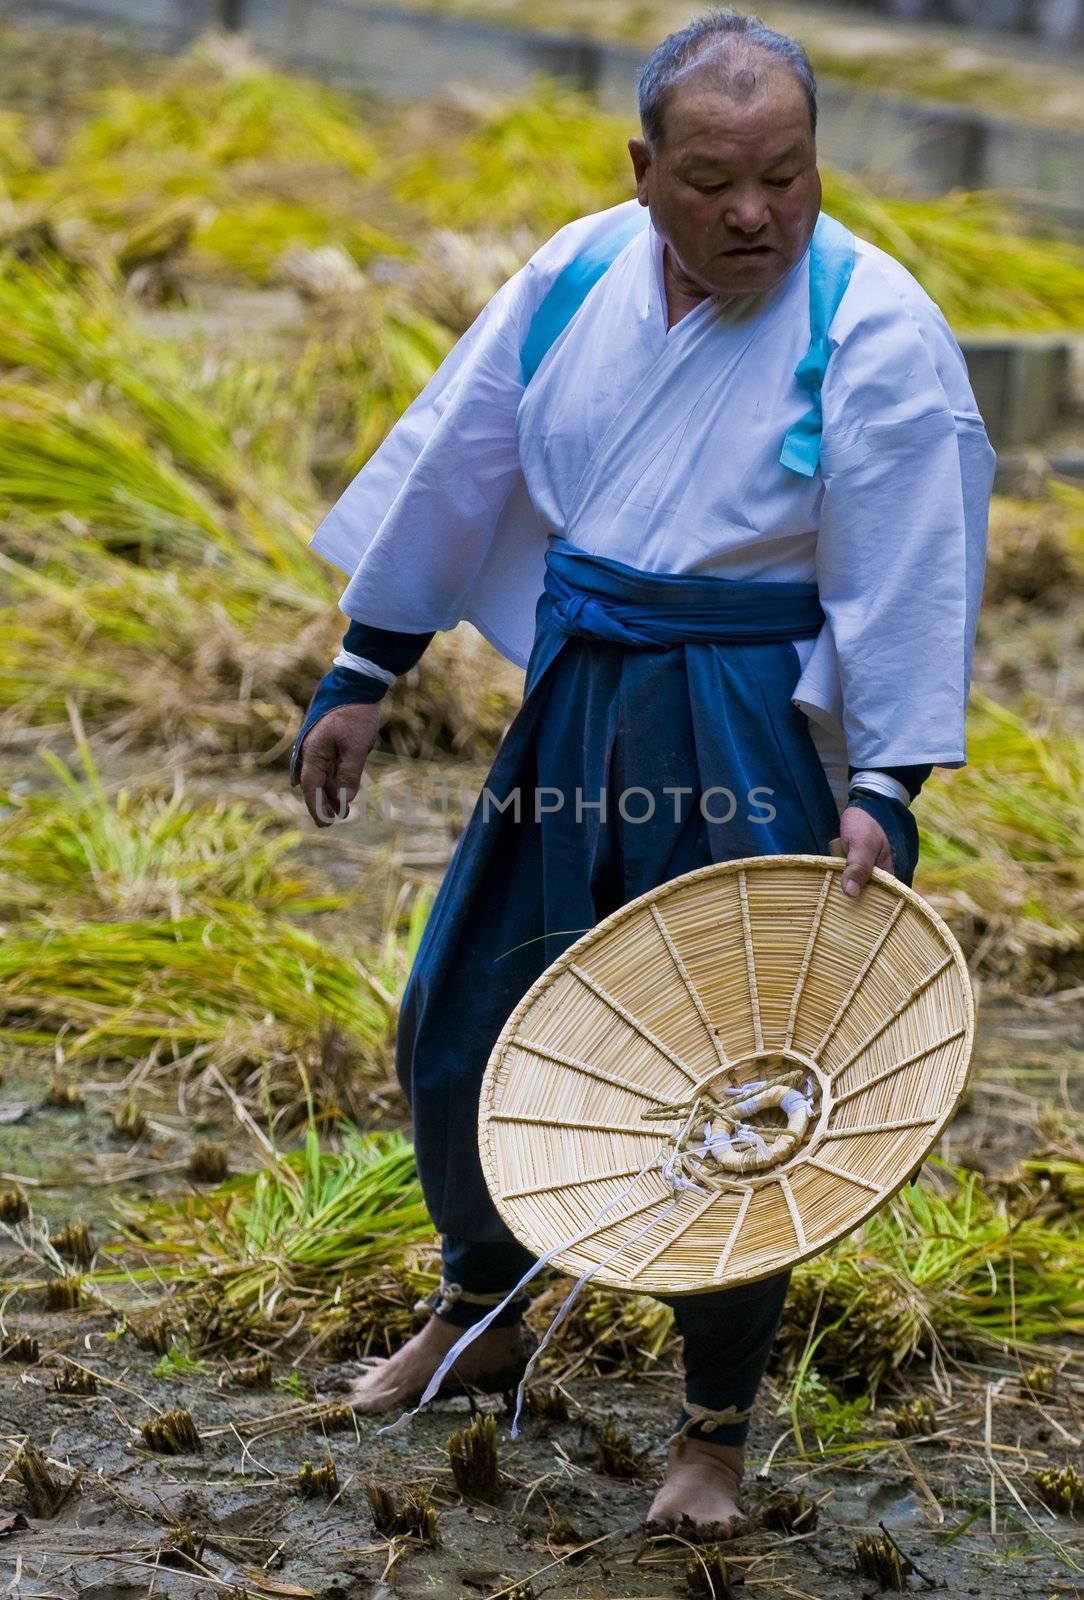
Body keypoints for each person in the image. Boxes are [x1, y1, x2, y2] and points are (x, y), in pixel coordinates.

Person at [292, 8, 993, 1539]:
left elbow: (911, 566)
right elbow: (461, 459)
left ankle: (716, 1430)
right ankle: (481, 1315)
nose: (755, 213)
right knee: (467, 1012)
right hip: (579, 694)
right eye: (714, 181)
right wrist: (365, 670)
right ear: (644, 169)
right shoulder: (581, 271)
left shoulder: (872, 325)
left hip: (740, 716)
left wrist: (886, 788)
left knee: (735, 1073)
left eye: (787, 179)